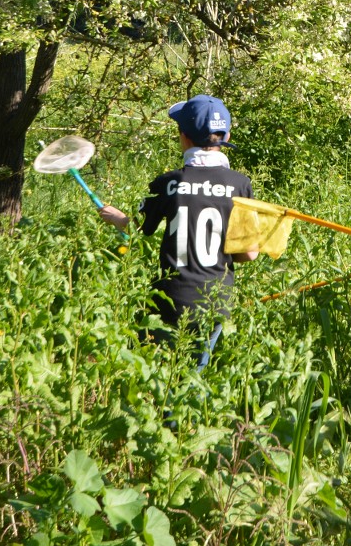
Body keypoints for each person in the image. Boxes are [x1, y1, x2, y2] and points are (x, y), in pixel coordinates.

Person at [100, 95, 258, 363]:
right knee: (195, 372)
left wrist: (117, 217)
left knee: (155, 368)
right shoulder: (240, 185)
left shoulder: (168, 183)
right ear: (227, 136)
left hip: (171, 299)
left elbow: (138, 230)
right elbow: (250, 254)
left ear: (183, 138)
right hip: (216, 302)